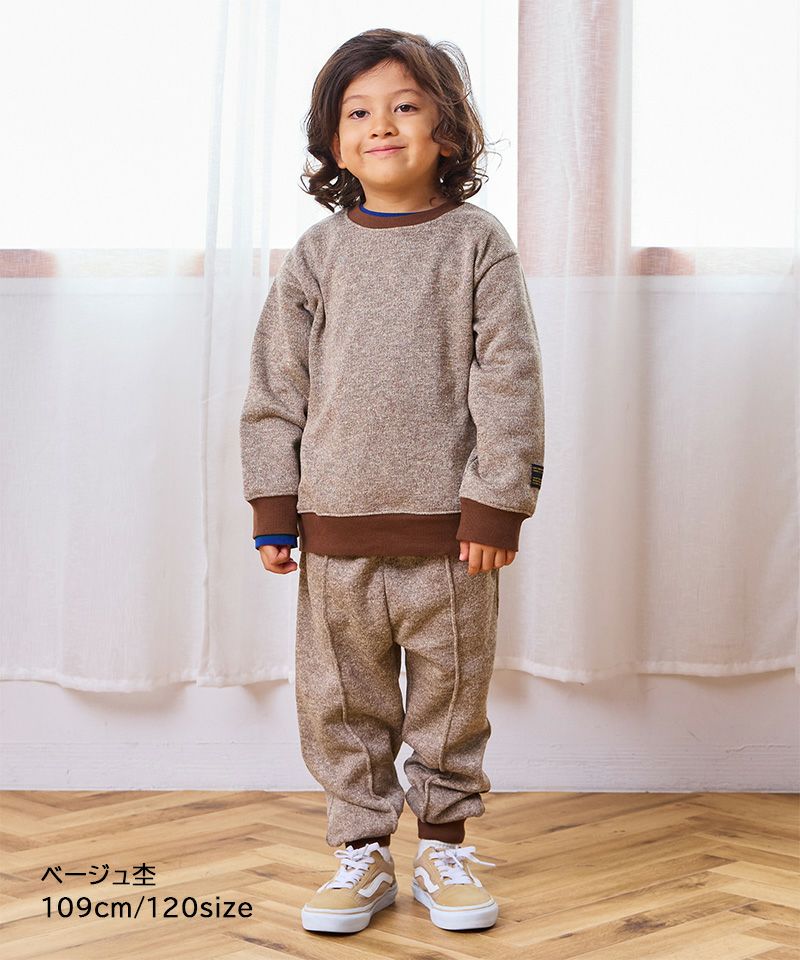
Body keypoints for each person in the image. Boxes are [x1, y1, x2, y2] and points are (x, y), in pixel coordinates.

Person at [240, 27, 544, 935]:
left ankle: (444, 847)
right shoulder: (317, 253)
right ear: (334, 144)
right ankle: (361, 853)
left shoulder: (477, 243)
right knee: (342, 702)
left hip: (453, 536)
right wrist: (273, 505)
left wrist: (498, 503)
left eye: (406, 106)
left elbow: (511, 379)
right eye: (358, 112)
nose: (382, 125)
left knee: (451, 701)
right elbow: (275, 387)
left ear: (448, 131)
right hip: (333, 531)